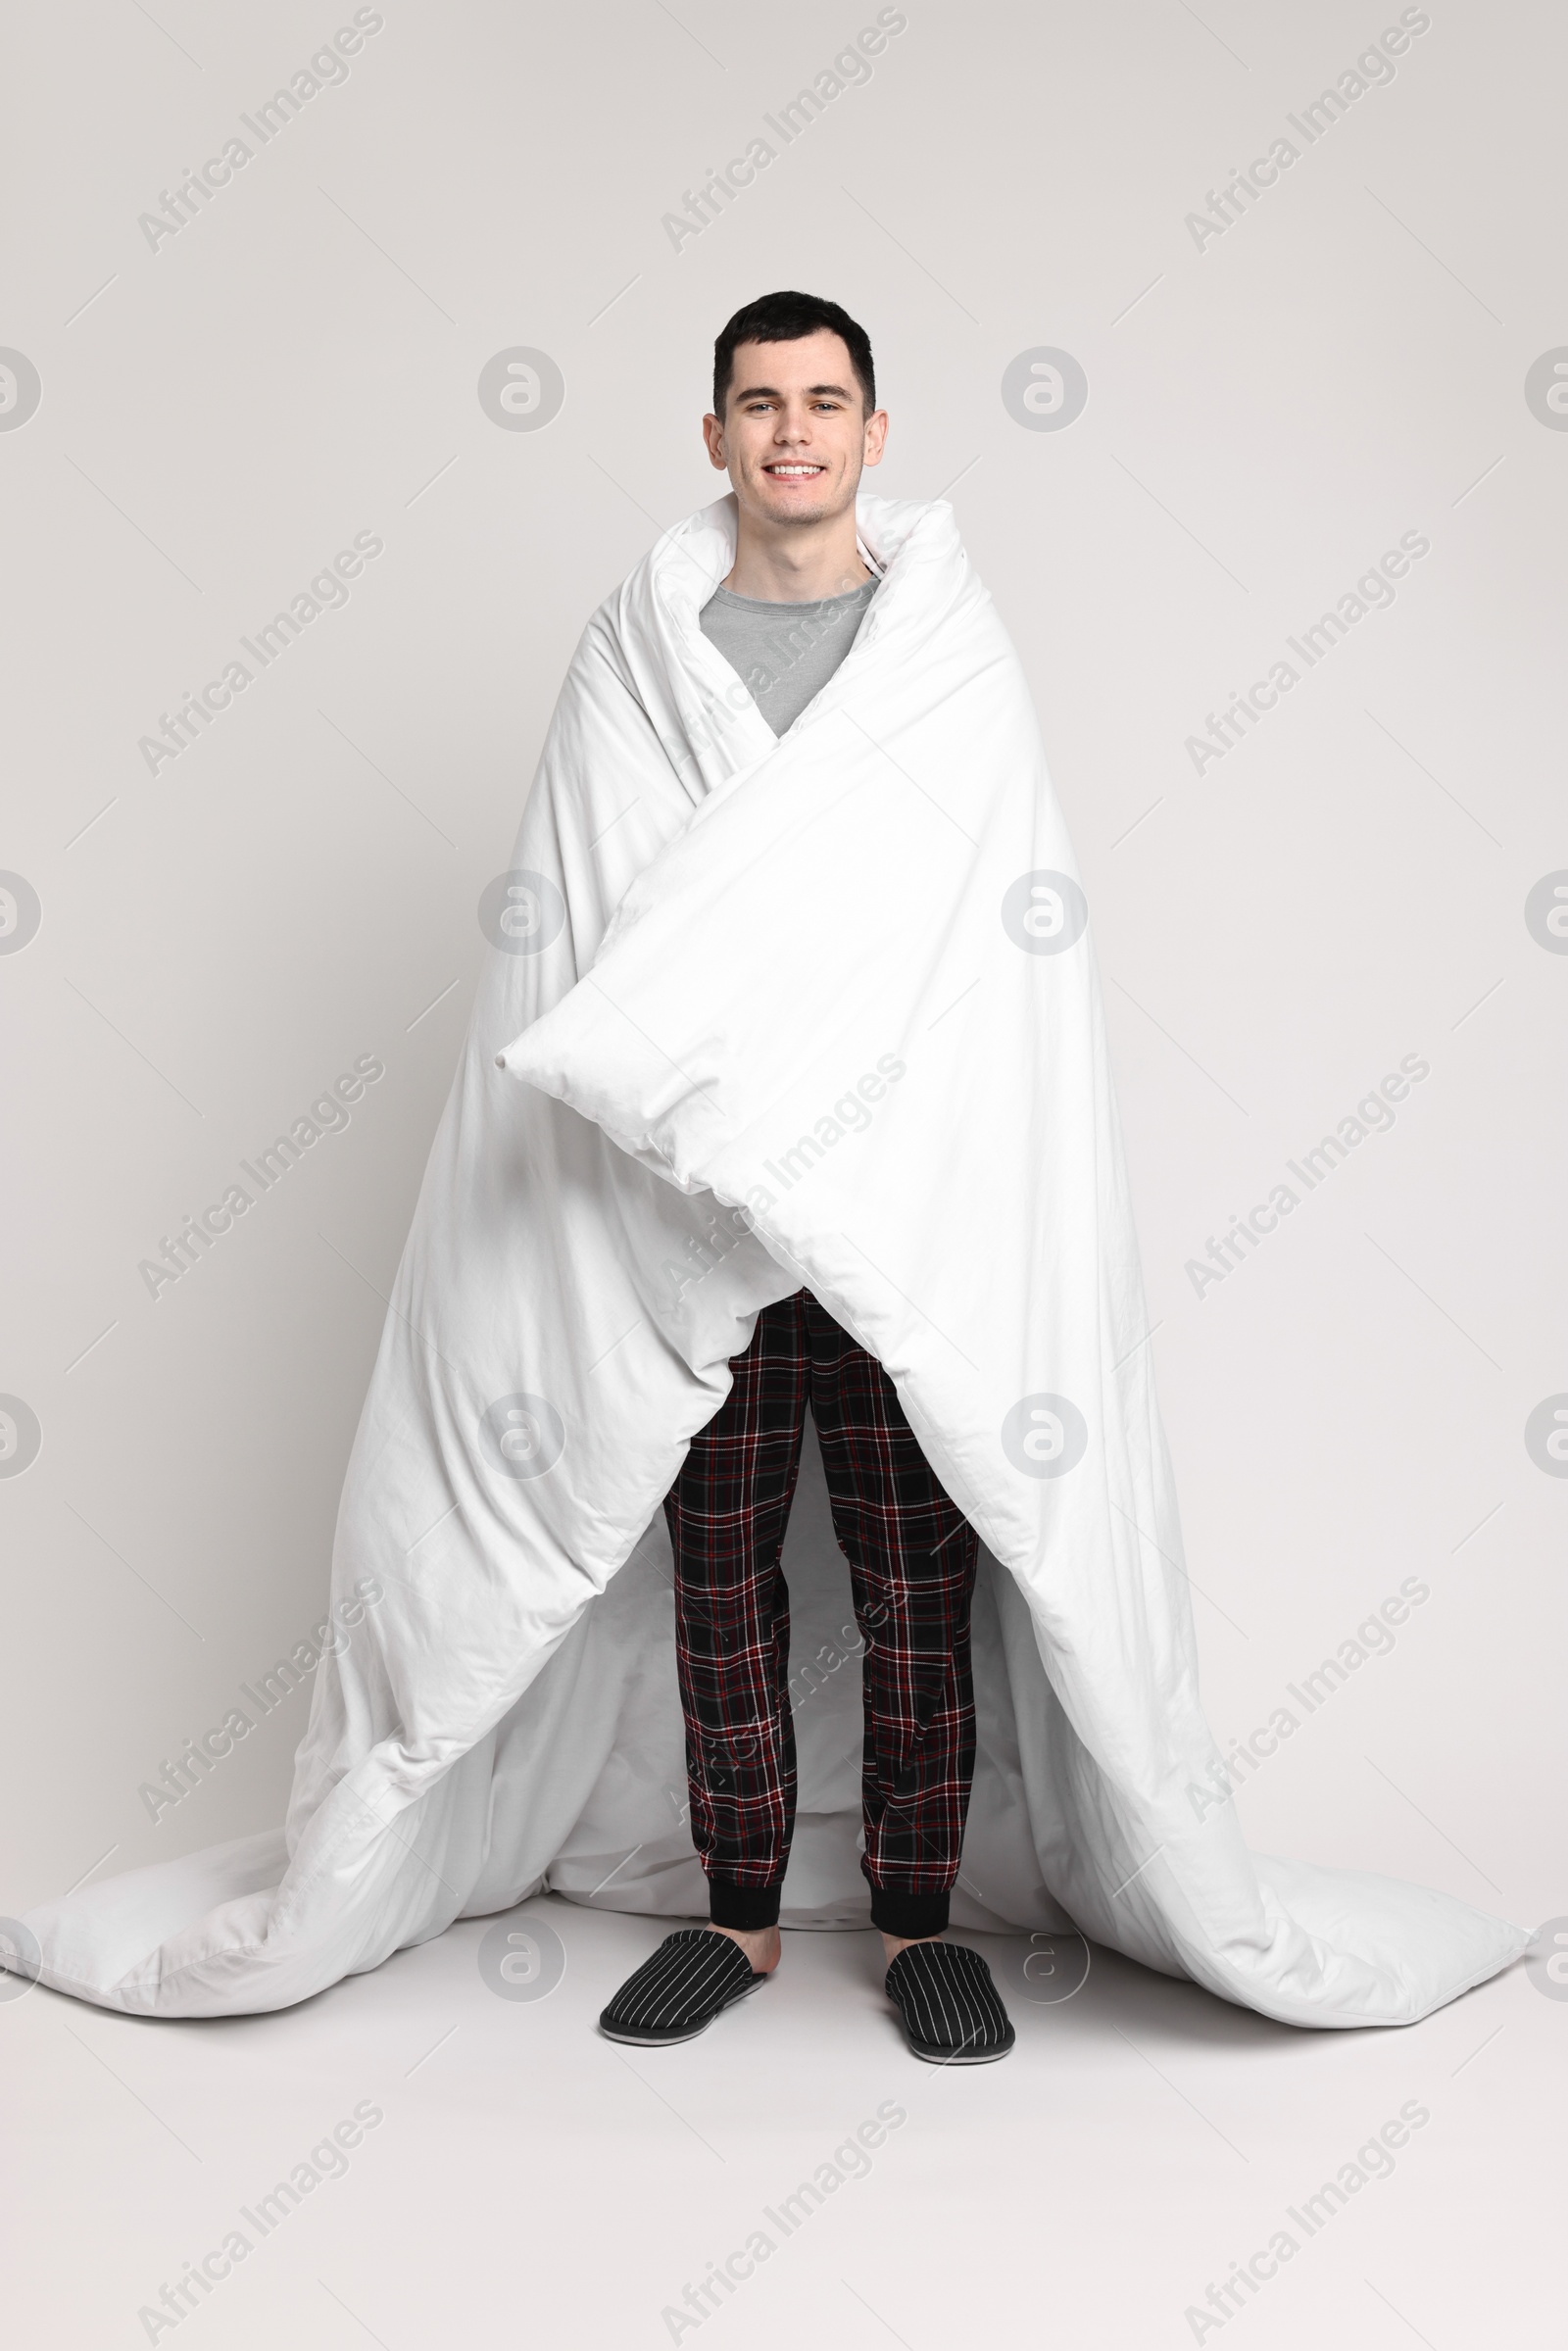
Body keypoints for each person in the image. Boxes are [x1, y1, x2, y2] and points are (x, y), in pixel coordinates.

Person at [596, 292, 1014, 2065]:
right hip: (713, 1202)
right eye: (758, 406)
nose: (791, 434)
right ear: (714, 437)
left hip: (890, 1188)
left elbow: (987, 924)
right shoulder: (646, 649)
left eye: (824, 402)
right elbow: (613, 903)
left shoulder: (941, 654)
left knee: (917, 1573)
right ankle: (741, 1916)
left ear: (872, 432)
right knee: (720, 1568)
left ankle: (921, 1924)